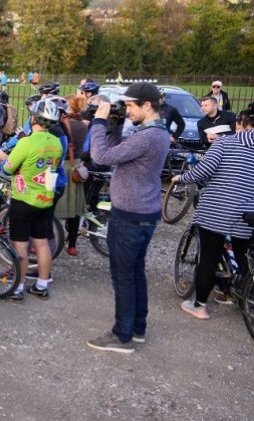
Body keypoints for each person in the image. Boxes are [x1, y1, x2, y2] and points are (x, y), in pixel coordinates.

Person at [86, 83, 170, 354]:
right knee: (135, 273)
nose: (128, 110)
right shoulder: (155, 133)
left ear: (147, 105)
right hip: (143, 212)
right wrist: (116, 124)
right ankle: (137, 328)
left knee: (122, 276)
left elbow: (100, 157)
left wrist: (99, 122)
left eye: (131, 106)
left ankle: (122, 335)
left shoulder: (147, 137)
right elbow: (117, 153)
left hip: (131, 216)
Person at [173, 112, 254, 319]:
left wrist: (181, 177)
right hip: (248, 214)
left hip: (217, 210)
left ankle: (199, 306)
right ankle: (243, 296)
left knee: (209, 258)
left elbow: (203, 171)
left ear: (242, 123)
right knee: (244, 257)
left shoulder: (225, 143)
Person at [0, 99, 63, 301]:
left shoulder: (26, 142)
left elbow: (8, 169)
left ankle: (18, 287)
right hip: (45, 199)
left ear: (33, 118)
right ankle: (42, 285)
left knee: (20, 246)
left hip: (23, 200)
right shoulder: (56, 143)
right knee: (42, 243)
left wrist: (2, 159)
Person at [56, 95, 89, 256]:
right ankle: (72, 245)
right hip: (77, 166)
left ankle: (50, 239)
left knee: (54, 207)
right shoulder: (83, 125)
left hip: (64, 165)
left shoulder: (63, 124)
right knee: (75, 210)